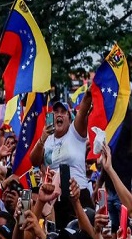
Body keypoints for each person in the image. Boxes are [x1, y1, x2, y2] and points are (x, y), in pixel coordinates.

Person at [30, 96, 92, 228]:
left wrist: (90, 92)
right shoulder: (47, 137)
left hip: (78, 194)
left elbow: (84, 109)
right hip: (56, 201)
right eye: (55, 111)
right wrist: (42, 139)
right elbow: (34, 161)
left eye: (63, 112)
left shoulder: (75, 132)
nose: (59, 114)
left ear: (70, 119)